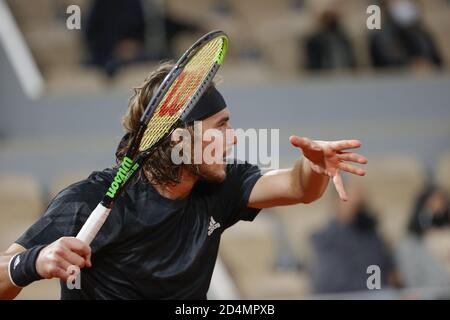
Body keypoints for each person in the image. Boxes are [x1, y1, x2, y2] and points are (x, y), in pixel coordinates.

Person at [0, 62, 367, 299]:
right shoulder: (88, 200)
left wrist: (315, 167)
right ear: (178, 139)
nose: (234, 137)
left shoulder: (220, 186)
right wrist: (32, 261)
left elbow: (297, 188)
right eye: (220, 126)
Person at [310, 181, 397, 294]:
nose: (359, 205)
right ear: (337, 201)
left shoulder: (371, 235)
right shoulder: (324, 239)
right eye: (354, 200)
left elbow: (388, 271)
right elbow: (330, 283)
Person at [395, 185, 450, 288]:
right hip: (430, 287)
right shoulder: (411, 242)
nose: (438, 207)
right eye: (433, 203)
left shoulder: (446, 232)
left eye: (442, 203)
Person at [369, 0, 442, 70]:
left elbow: (437, 61)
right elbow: (386, 63)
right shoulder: (381, 38)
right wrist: (410, 66)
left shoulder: (422, 34)